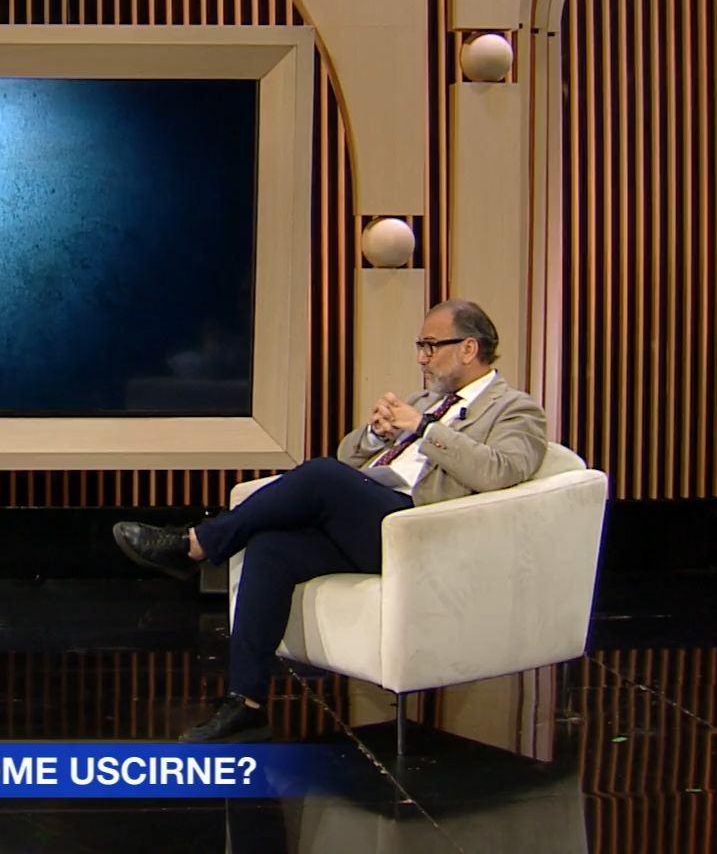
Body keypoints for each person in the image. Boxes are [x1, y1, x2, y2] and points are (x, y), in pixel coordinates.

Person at [112, 299, 548, 742]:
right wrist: (375, 434)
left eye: (431, 346)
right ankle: (246, 704)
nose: (421, 357)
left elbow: (501, 470)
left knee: (321, 475)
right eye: (420, 346)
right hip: (372, 522)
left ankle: (195, 544)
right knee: (271, 549)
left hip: (422, 532)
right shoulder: (425, 401)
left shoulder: (514, 409)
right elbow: (348, 457)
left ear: (469, 348)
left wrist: (424, 428)